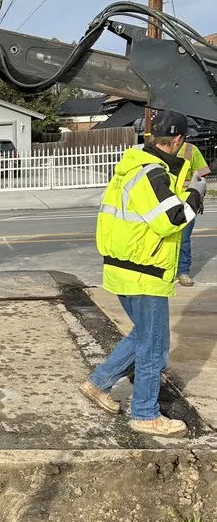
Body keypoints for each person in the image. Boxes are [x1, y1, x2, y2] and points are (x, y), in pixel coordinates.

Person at [79, 110, 206, 438]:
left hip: (127, 269)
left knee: (147, 337)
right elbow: (172, 219)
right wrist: (196, 193)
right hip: (144, 273)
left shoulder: (135, 167)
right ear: (177, 140)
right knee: (153, 345)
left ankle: (98, 384)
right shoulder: (151, 173)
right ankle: (145, 413)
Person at [174, 139, 211, 286]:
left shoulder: (189, 150)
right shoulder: (158, 146)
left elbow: (201, 175)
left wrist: (197, 198)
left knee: (183, 240)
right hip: (164, 200)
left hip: (185, 201)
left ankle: (182, 271)